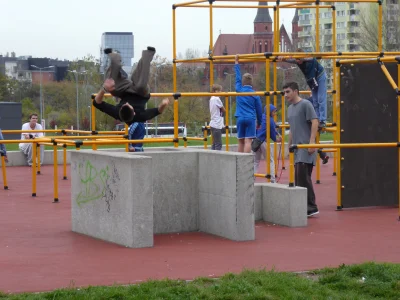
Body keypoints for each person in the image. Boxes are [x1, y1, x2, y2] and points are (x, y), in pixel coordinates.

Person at [94, 46, 170, 125]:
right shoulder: (141, 116)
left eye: (124, 105)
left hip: (124, 91)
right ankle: (148, 54)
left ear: (120, 110)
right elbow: (158, 111)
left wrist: (104, 88)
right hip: (141, 93)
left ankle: (115, 58)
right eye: (129, 105)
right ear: (134, 113)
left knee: (111, 85)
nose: (127, 103)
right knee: (141, 85)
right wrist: (163, 104)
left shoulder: (117, 113)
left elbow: (96, 103)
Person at [284, 81, 319, 217]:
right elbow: (292, 128)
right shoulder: (290, 108)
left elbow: (315, 121)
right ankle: (303, 206)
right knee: (298, 179)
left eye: (287, 92)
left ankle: (312, 207)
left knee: (303, 177)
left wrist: (311, 143)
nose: (285, 95)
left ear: (295, 91)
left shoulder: (305, 104)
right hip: (297, 148)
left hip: (305, 147)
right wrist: (289, 145)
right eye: (284, 92)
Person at [277, 48, 327, 129]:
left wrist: (305, 57)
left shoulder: (308, 59)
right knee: (315, 100)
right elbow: (289, 60)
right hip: (312, 79)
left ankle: (323, 120)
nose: (298, 62)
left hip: (320, 75)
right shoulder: (297, 60)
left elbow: (312, 57)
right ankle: (317, 118)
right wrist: (282, 57)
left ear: (303, 57)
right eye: (297, 60)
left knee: (321, 98)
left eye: (299, 60)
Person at [234, 54, 263, 153]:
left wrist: (236, 63)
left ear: (243, 82)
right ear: (252, 83)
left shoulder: (239, 89)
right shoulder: (255, 94)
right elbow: (259, 110)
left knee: (240, 141)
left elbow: (237, 78)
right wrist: (259, 122)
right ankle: (246, 162)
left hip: (240, 117)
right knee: (248, 141)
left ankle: (239, 162)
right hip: (250, 118)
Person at [252, 104, 282, 182]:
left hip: (255, 140)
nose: (275, 114)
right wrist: (276, 139)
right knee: (270, 160)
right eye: (274, 112)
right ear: (270, 111)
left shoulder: (260, 117)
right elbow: (272, 131)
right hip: (264, 141)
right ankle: (272, 179)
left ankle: (252, 179)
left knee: (255, 161)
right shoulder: (270, 120)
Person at [306, 95, 329, 164]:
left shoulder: (309, 100)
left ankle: (322, 155)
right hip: (318, 122)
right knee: (316, 140)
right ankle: (323, 155)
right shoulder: (320, 100)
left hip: (312, 123)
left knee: (313, 141)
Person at [209, 84, 226, 151]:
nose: (220, 92)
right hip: (216, 124)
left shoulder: (211, 98)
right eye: (219, 91)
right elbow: (223, 109)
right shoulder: (216, 99)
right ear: (215, 91)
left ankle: (212, 157)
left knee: (214, 143)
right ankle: (217, 158)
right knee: (218, 144)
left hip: (213, 123)